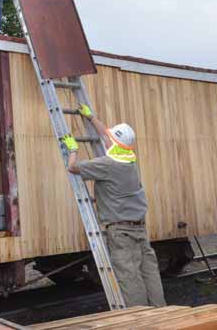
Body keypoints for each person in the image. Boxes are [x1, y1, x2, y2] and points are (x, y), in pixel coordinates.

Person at [62, 104, 166, 307]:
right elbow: (106, 137)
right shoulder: (130, 159)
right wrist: (91, 117)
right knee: (149, 273)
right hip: (139, 228)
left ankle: (140, 322)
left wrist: (73, 150)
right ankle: (161, 313)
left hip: (121, 232)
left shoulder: (107, 165)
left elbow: (72, 167)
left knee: (130, 278)